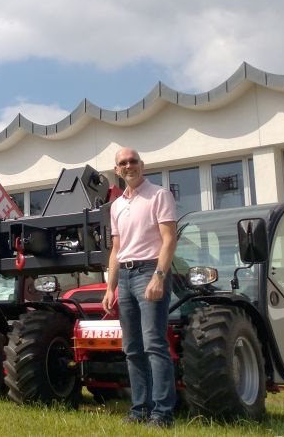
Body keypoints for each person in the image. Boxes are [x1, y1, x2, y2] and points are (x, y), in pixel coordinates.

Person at [102, 148, 178, 428]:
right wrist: (110, 288)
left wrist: (159, 276)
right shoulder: (116, 206)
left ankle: (162, 414)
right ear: (117, 170)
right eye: (123, 163)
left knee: (154, 344)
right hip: (125, 275)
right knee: (132, 348)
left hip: (150, 271)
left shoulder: (159, 195)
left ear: (142, 165)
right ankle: (139, 410)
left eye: (133, 161)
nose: (129, 165)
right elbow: (116, 250)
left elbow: (169, 239)